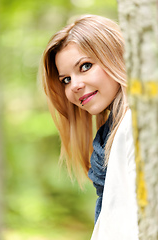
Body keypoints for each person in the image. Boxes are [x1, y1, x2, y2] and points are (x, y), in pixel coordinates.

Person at [41, 14, 139, 239]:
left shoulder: (134, 126)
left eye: (85, 66)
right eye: (65, 79)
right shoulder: (110, 136)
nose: (74, 85)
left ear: (117, 56)